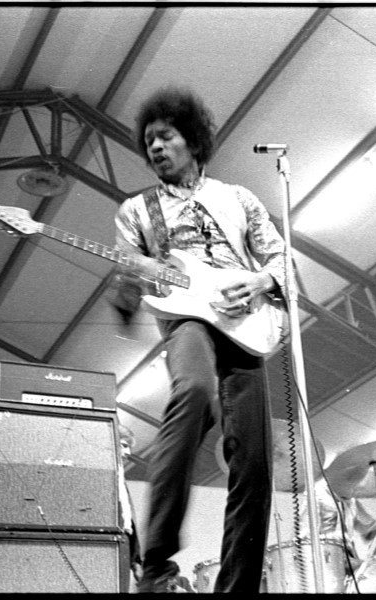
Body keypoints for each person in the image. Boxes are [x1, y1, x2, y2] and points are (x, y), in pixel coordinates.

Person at [112, 86, 290, 593]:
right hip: (186, 321)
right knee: (192, 393)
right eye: (148, 140)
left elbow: (282, 260)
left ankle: (238, 587)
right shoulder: (136, 212)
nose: (155, 147)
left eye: (164, 136)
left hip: (247, 325)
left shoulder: (239, 198)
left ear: (191, 139)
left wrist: (260, 281)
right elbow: (127, 287)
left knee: (254, 462)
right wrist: (124, 287)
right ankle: (157, 566)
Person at [117, 423, 143, 589]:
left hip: (122, 543)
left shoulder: (120, 478)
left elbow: (129, 521)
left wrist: (136, 561)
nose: (128, 453)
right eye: (124, 446)